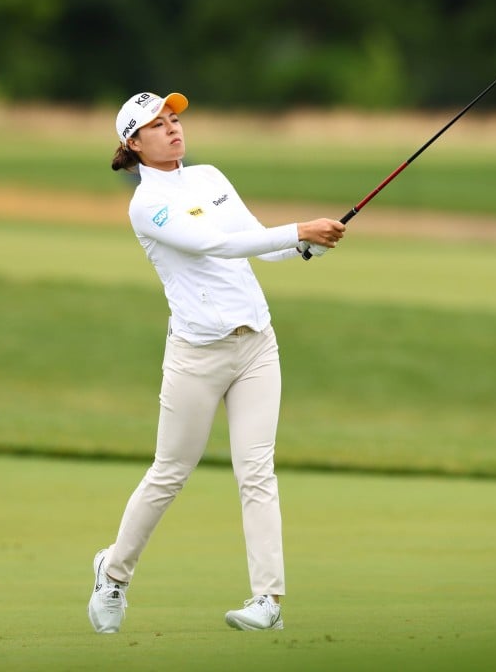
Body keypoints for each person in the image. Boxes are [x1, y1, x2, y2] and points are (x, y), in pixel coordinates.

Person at [88, 91, 345, 634]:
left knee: (257, 471)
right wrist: (299, 230)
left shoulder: (210, 176)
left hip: (257, 344)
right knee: (170, 472)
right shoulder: (145, 204)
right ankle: (113, 574)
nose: (173, 129)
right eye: (157, 125)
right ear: (133, 144)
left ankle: (267, 600)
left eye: (175, 119)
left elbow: (253, 242)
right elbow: (211, 245)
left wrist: (300, 247)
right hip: (196, 356)